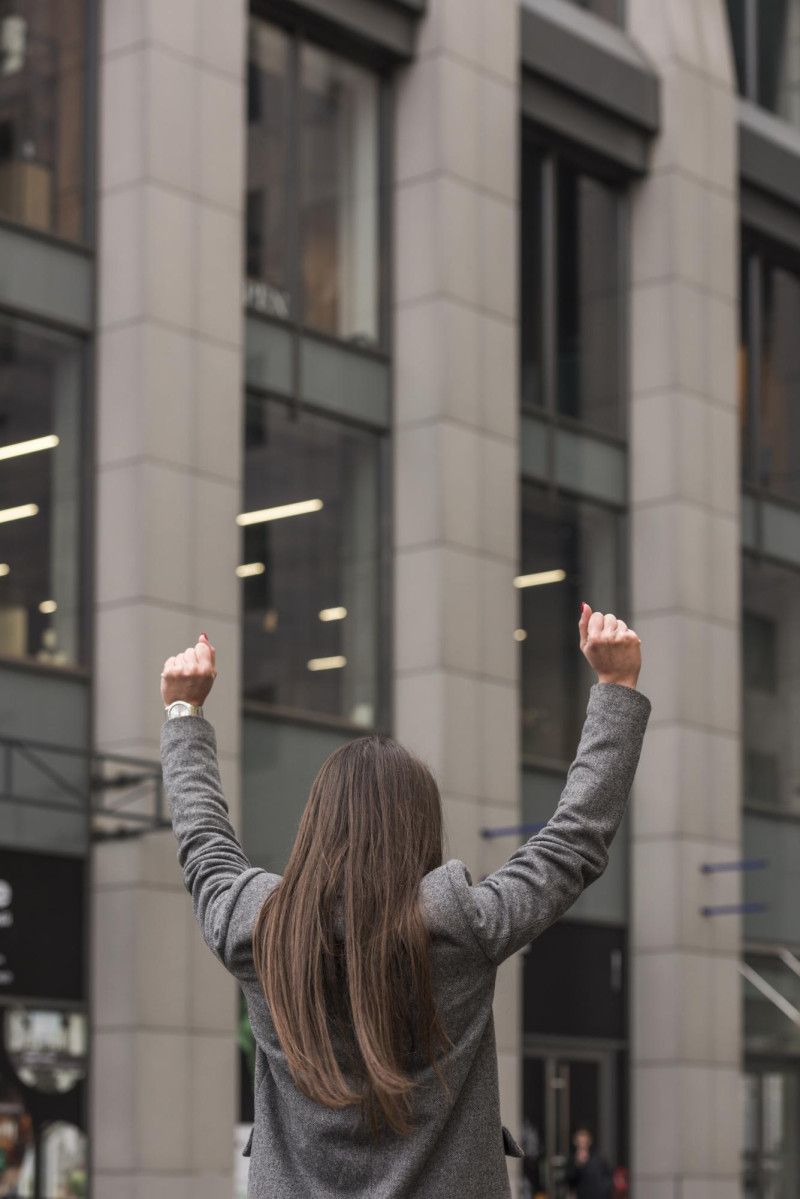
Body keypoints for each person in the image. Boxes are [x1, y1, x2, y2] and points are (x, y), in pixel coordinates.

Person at [159, 604, 652, 1199]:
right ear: (421, 828)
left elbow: (203, 843)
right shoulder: (464, 928)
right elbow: (574, 841)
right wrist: (615, 688)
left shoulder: (257, 928)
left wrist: (184, 713)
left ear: (315, 824)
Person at [564, 1126, 613, 1198]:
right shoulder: (572, 1159)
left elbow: (607, 1175)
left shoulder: (598, 1158)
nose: (582, 1144)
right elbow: (570, 1179)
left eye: (584, 1142)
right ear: (575, 1143)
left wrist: (605, 1191)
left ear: (589, 1142)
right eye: (579, 1142)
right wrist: (577, 1165)